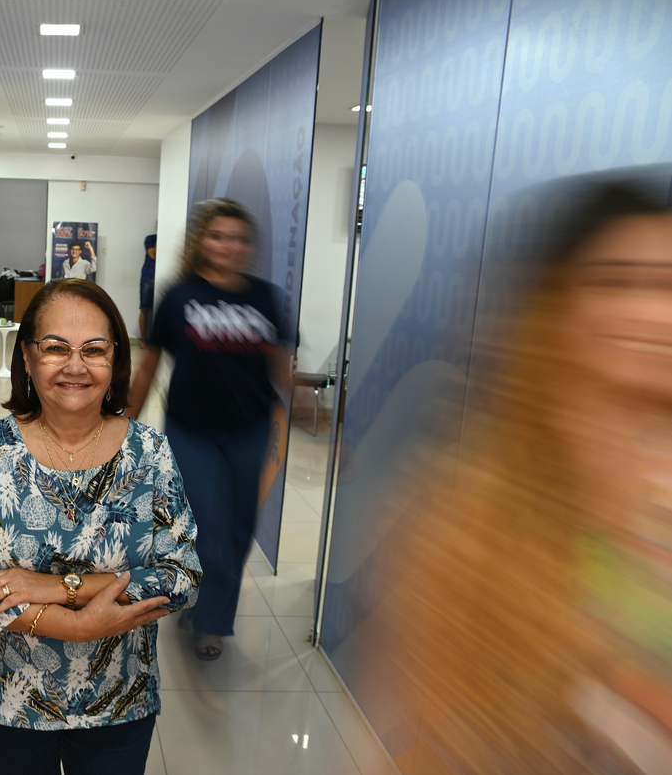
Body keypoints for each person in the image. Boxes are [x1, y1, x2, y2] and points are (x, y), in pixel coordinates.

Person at [365, 183, 672, 774]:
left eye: (665, 285)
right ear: (553, 302)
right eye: (616, 280)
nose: (651, 311)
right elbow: (434, 738)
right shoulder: (470, 519)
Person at [0, 279, 200, 775]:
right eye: (56, 347)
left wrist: (54, 588)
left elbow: (182, 576)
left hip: (120, 695)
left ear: (115, 359)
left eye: (94, 350)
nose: (76, 366)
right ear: (27, 357)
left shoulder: (150, 454)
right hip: (10, 699)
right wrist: (80, 624)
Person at [127, 198, 292, 661]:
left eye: (238, 238)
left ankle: (210, 619)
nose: (228, 246)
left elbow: (282, 369)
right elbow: (149, 366)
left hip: (249, 430)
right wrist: (123, 427)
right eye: (218, 236)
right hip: (191, 431)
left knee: (238, 530)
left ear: (249, 246)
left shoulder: (267, 298)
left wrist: (326, 428)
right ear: (202, 241)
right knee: (206, 528)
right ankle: (197, 597)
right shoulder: (179, 297)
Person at [139, 232, 156, 344]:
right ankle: (144, 341)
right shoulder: (150, 238)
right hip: (148, 278)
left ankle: (155, 343)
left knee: (158, 311)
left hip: (162, 277)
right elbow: (152, 254)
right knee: (144, 309)